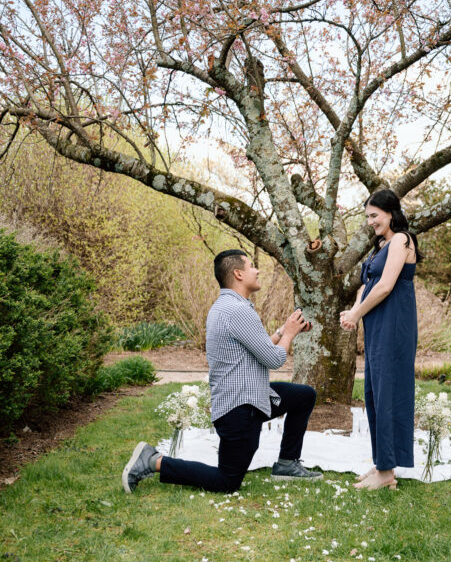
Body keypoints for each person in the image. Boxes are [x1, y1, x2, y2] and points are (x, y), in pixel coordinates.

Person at [122, 249, 322, 494]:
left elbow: (258, 348)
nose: (257, 270)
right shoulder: (238, 311)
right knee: (227, 481)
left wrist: (284, 331)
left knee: (303, 395)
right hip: (240, 409)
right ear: (238, 273)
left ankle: (287, 463)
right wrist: (289, 334)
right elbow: (273, 359)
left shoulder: (228, 306)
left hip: (251, 397)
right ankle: (153, 460)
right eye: (252, 266)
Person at [340, 189, 420, 489]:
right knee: (374, 393)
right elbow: (369, 284)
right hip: (376, 324)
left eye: (374, 215)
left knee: (389, 392)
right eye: (367, 217)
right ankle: (381, 464)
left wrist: (356, 314)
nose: (371, 221)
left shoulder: (401, 240)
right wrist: (353, 311)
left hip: (395, 323)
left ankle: (387, 473)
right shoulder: (380, 246)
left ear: (390, 212)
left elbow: (386, 286)